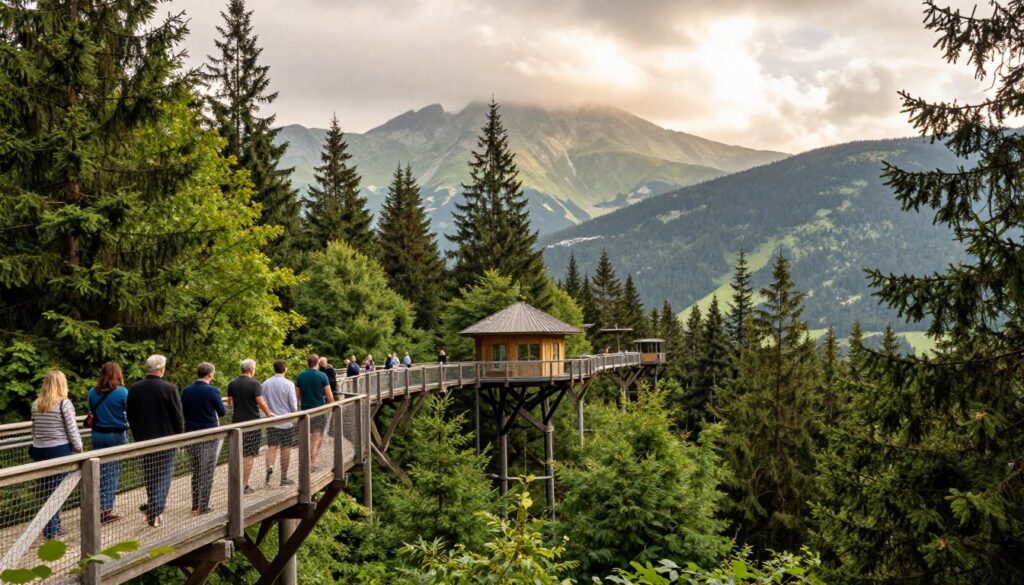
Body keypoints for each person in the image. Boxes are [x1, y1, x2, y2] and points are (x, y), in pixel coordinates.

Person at [127, 354, 184, 527]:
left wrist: (137, 435)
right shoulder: (169, 388)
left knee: (150, 475)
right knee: (164, 475)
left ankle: (153, 507)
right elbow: (178, 416)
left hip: (144, 440)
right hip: (166, 440)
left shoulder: (135, 389)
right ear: (161, 369)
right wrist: (179, 436)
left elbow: (130, 414)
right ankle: (156, 510)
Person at [30, 370, 83, 539]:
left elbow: (34, 430)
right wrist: (80, 449)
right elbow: (72, 430)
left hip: (39, 450)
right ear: (62, 384)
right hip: (58, 450)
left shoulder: (36, 404)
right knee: (57, 491)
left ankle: (52, 527)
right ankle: (53, 531)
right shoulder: (64, 404)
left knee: (46, 490)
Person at [181, 362, 226, 513]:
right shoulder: (212, 390)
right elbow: (222, 412)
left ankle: (195, 503)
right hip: (209, 435)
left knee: (196, 469)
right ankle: (204, 505)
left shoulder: (186, 391)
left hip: (191, 434)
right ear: (210, 374)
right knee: (207, 471)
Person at [88, 362, 129, 524]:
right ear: (118, 375)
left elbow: (91, 410)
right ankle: (105, 511)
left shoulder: (92, 392)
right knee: (111, 473)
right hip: (115, 435)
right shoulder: (122, 392)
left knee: (99, 473)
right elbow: (129, 411)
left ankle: (97, 506)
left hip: (97, 435)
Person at [227, 359, 272, 493]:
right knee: (249, 455)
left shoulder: (232, 383)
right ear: (251, 369)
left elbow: (230, 403)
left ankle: (236, 483)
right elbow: (261, 403)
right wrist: (269, 414)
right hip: (252, 423)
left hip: (236, 423)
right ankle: (244, 485)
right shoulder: (255, 384)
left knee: (238, 454)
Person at [263, 359, 299, 486]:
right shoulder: (289, 384)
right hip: (286, 421)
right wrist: (294, 413)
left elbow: (263, 402)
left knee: (271, 447)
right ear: (285, 369)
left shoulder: (266, 383)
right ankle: (284, 477)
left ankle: (269, 469)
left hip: (271, 421)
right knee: (286, 448)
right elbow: (293, 404)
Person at [296, 354, 334, 469]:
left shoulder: (301, 376)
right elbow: (329, 396)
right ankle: (311, 463)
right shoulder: (322, 376)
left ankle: (303, 462)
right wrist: (332, 405)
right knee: (316, 437)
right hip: (318, 411)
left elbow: (297, 396)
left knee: (305, 437)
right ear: (317, 363)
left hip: (304, 411)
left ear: (307, 363)